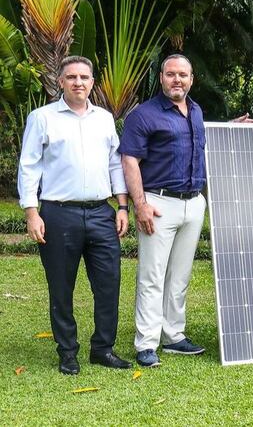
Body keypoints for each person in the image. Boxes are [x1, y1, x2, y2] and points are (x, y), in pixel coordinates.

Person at [17, 55, 133, 374]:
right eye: (71, 77)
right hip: (58, 214)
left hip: (101, 213)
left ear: (92, 83)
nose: (78, 82)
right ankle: (67, 351)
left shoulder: (105, 119)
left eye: (84, 77)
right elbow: (28, 167)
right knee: (61, 286)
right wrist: (31, 212)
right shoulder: (42, 118)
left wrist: (122, 206)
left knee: (108, 284)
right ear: (61, 82)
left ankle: (103, 349)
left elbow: (114, 164)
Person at [119, 54, 207, 368]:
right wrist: (139, 205)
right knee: (152, 277)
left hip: (194, 204)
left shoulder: (196, 111)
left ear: (191, 79)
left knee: (179, 276)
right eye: (171, 74)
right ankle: (146, 343)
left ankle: (174, 336)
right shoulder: (143, 115)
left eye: (183, 75)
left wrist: (233, 129)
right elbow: (129, 161)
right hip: (158, 204)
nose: (177, 80)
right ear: (161, 78)